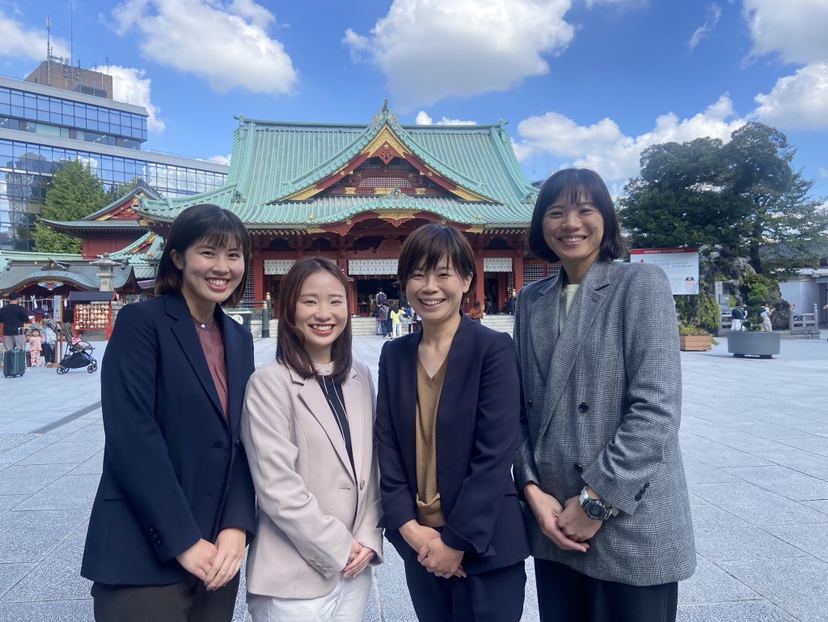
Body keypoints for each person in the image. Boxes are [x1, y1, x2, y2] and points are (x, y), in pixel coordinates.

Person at [513, 168, 696, 622]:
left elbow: (656, 408)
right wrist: (532, 491)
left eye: (585, 210)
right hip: (556, 522)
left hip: (628, 515)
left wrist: (595, 502)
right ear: (541, 225)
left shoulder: (640, 284)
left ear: (606, 219)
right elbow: (519, 408)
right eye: (556, 212)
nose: (570, 223)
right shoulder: (530, 299)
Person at [81, 204, 257, 622]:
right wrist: (184, 541)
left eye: (233, 255)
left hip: (217, 556)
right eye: (208, 252)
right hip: (144, 548)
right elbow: (132, 438)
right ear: (177, 257)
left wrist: (236, 525)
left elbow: (244, 438)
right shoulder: (142, 323)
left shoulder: (238, 337)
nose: (222, 267)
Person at [375, 223, 530, 622]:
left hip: (485, 544)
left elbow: (494, 454)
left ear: (465, 280)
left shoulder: (492, 349)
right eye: (417, 275)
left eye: (443, 274)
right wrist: (408, 527)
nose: (430, 287)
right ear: (404, 283)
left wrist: (455, 543)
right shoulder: (395, 355)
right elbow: (387, 447)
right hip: (422, 546)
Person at [240, 257, 382, 621]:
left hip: (355, 568)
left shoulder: (360, 376)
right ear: (289, 308)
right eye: (309, 301)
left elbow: (373, 465)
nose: (324, 313)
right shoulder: (269, 383)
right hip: (293, 575)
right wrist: (339, 546)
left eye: (335, 301)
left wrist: (369, 537)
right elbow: (277, 487)